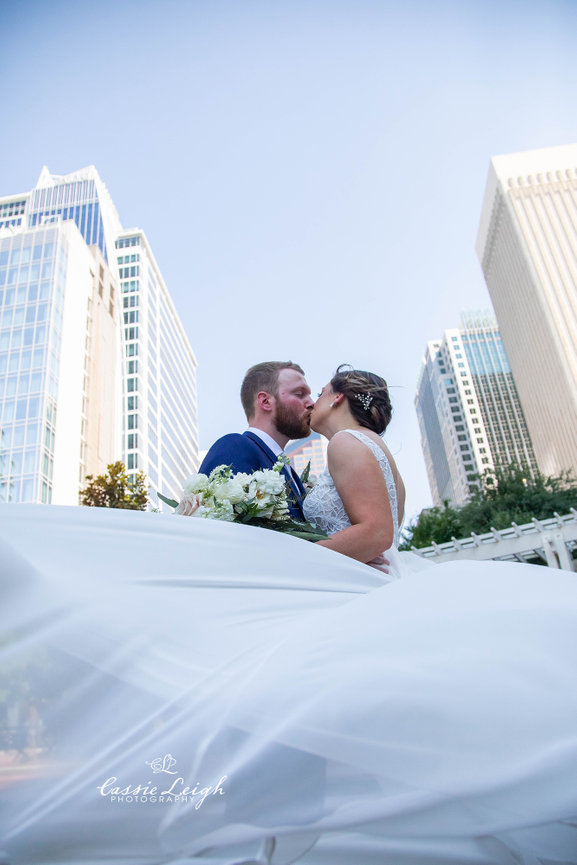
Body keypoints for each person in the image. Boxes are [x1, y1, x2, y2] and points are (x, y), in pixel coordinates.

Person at [1, 366, 577, 865]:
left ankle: (287, 827)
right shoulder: (254, 450)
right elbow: (209, 529)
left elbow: (366, 531)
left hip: (323, 607)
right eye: (300, 389)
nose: (310, 398)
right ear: (266, 401)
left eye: (317, 389)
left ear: (342, 399)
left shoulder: (337, 453)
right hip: (293, 612)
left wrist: (300, 566)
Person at [199, 361, 314, 521]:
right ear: (265, 401)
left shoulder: (290, 473)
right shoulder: (235, 447)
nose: (311, 403)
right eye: (299, 394)